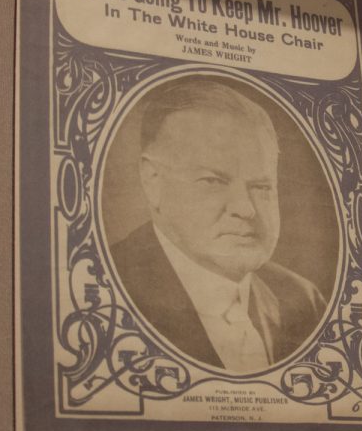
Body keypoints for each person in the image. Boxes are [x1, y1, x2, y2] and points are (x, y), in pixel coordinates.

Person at [110, 78, 326, 373]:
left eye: (262, 187)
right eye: (213, 181)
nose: (246, 209)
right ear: (152, 181)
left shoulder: (303, 300)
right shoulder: (105, 287)